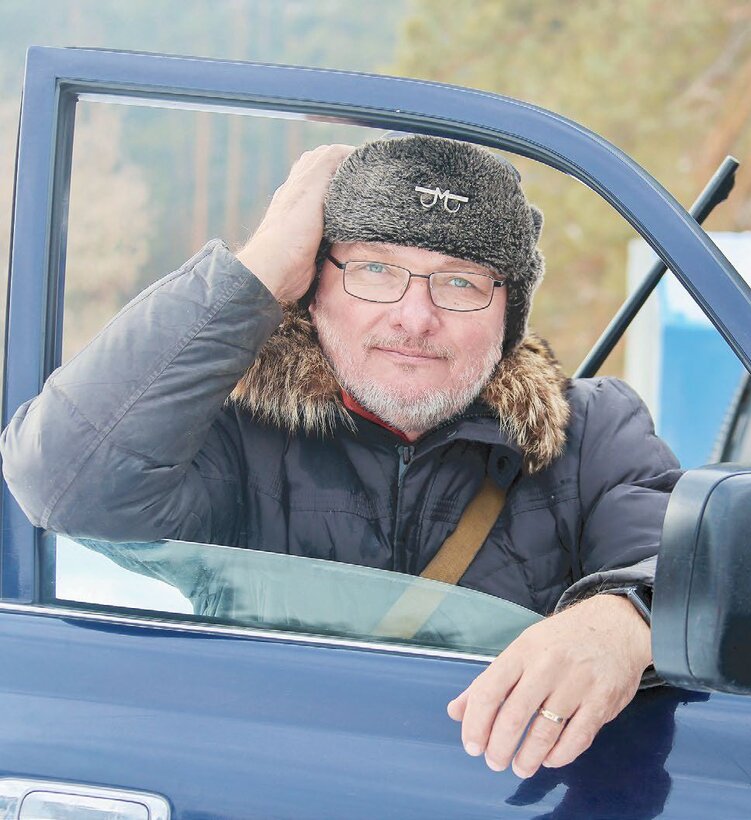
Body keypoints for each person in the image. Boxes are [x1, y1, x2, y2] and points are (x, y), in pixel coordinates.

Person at [0, 135, 681, 779]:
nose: (414, 317)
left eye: (461, 282)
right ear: (312, 288)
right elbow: (60, 479)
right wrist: (260, 267)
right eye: (375, 269)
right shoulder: (238, 431)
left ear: (509, 313)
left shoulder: (592, 431)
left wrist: (626, 616)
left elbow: (692, 561)